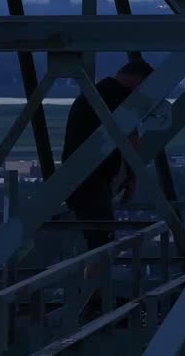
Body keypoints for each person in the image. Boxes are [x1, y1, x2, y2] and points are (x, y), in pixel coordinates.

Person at [62, 59, 154, 250]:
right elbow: (132, 138)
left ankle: (91, 277)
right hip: (90, 182)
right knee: (101, 244)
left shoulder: (100, 93)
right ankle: (93, 279)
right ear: (139, 80)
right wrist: (131, 176)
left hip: (82, 179)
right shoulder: (116, 96)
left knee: (99, 240)